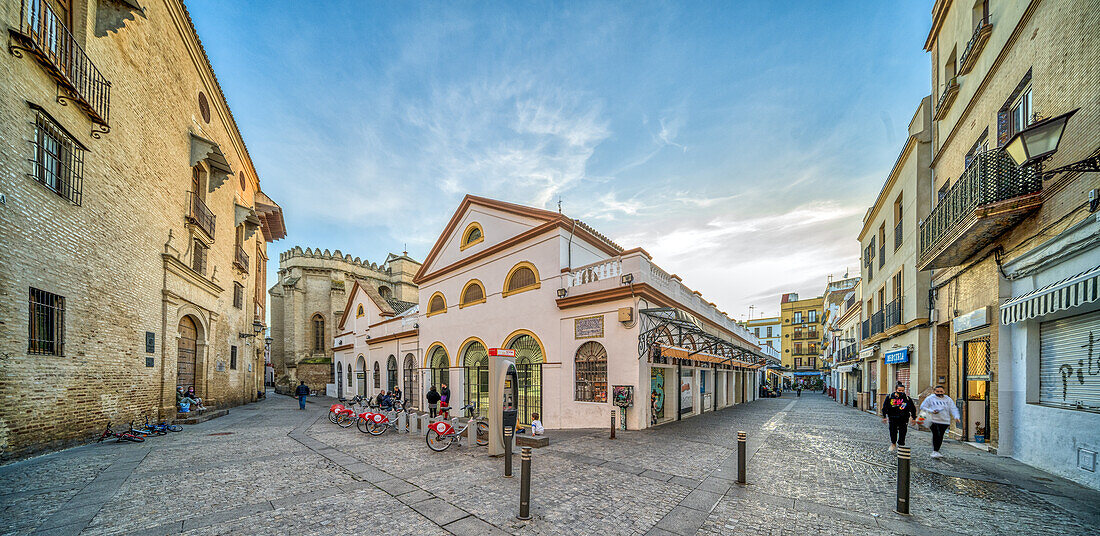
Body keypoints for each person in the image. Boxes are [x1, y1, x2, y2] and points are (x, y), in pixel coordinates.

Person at [919, 385, 961, 458]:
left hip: (944, 421)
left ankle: (937, 450)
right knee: (936, 434)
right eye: (937, 391)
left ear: (944, 391)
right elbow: (923, 406)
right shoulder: (930, 398)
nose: (939, 393)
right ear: (934, 391)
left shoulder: (948, 399)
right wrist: (932, 411)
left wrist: (956, 416)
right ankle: (935, 451)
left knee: (940, 435)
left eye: (941, 391)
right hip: (933, 420)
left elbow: (953, 408)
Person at [881, 381, 917, 452]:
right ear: (896, 390)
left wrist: (914, 417)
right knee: (893, 431)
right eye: (899, 390)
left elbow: (912, 408)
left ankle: (901, 444)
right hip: (893, 417)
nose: (901, 392)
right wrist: (884, 416)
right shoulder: (890, 397)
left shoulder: (907, 398)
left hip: (903, 418)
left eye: (902, 390)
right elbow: (885, 407)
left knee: (903, 432)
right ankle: (893, 443)